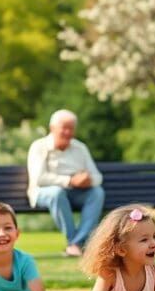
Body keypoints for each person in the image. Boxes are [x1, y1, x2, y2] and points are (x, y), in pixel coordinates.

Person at [27, 109, 104, 257]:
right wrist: (70, 181)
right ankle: (75, 243)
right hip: (44, 192)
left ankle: (76, 243)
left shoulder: (80, 148)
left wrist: (88, 180)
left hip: (75, 192)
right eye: (64, 128)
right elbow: (39, 178)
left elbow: (98, 177)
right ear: (52, 128)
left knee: (97, 192)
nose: (68, 132)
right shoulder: (39, 146)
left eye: (71, 128)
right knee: (57, 193)